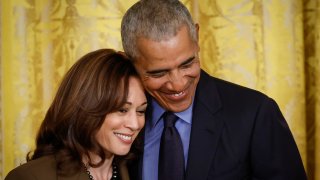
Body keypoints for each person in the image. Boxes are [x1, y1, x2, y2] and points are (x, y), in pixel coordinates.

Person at [121, 0, 307, 179]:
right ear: (129, 62)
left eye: (187, 64)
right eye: (159, 73)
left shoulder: (256, 114)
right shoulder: (116, 120)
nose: (178, 84)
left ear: (197, 36)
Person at [5, 49, 147, 180]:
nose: (135, 124)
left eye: (141, 111)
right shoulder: (29, 177)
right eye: (122, 110)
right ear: (87, 107)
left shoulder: (140, 171)